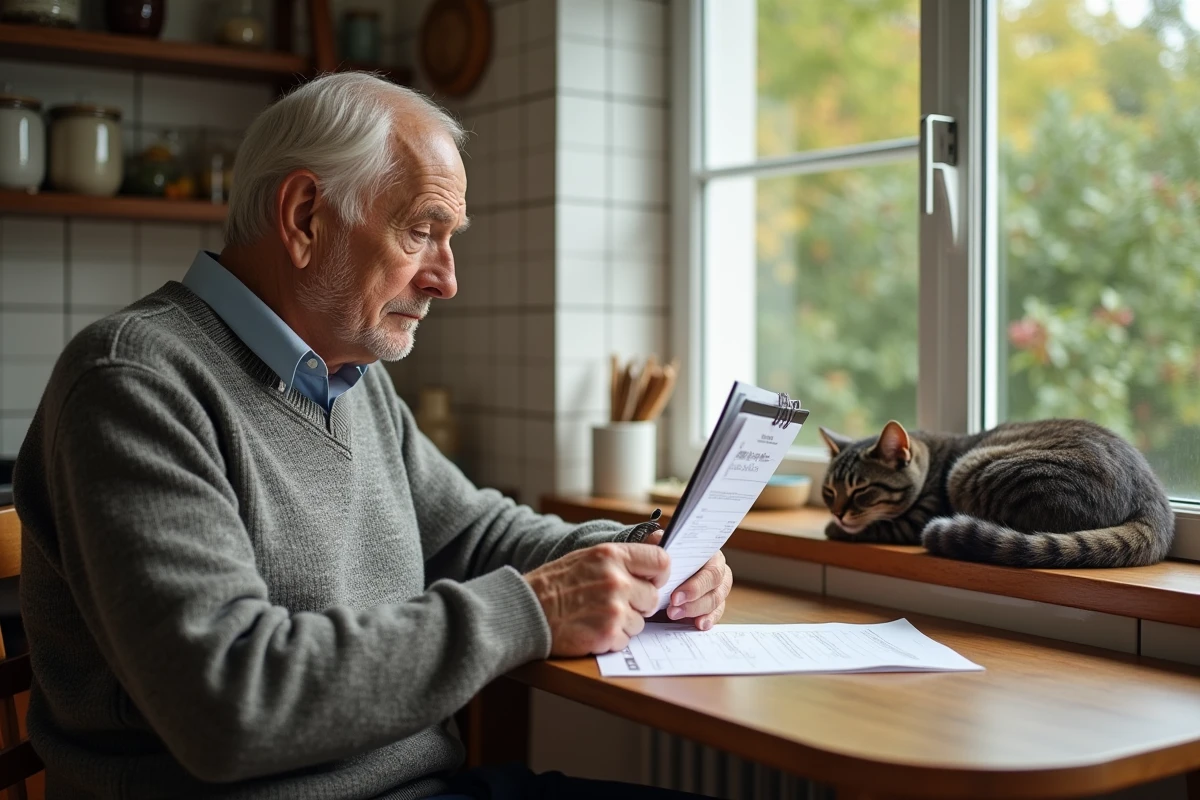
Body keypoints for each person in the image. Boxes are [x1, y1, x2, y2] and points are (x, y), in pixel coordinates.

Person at [12, 72, 732, 799]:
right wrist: (536, 609)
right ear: (303, 217)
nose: (446, 279)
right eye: (422, 230)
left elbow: (473, 534)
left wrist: (637, 555)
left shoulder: (350, 378)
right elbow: (229, 702)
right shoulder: (133, 381)